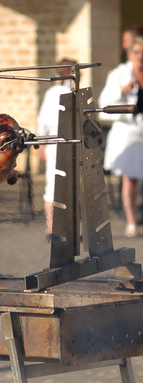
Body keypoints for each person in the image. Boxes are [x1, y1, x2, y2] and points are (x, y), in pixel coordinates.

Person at [100, 36, 143, 237]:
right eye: (137, 52)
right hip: (128, 132)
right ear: (130, 54)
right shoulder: (118, 74)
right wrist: (123, 90)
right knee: (130, 178)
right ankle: (132, 220)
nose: (140, 56)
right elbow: (104, 104)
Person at [36, 59, 76, 233]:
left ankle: (63, 227)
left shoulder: (66, 91)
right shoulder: (57, 92)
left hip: (67, 143)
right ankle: (53, 227)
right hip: (58, 141)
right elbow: (44, 120)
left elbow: (42, 120)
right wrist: (43, 144)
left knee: (68, 186)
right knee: (54, 186)